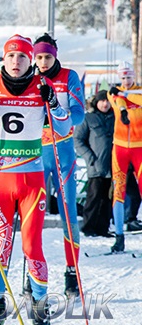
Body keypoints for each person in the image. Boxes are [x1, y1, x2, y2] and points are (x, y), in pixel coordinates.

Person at [0, 34, 71, 325]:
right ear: (4, 59)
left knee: (32, 246)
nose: (16, 62)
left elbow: (64, 125)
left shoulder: (42, 86)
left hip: (32, 179)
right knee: (0, 247)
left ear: (31, 60)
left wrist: (53, 102)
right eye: (11, 56)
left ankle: (40, 311)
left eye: (22, 57)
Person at [32, 34, 86, 298]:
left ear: (55, 55)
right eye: (39, 57)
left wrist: (56, 112)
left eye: (47, 57)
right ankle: (33, 271)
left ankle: (72, 271)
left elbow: (79, 112)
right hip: (35, 154)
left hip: (62, 151)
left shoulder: (68, 76)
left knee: (68, 211)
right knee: (34, 214)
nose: (43, 62)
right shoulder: (29, 78)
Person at [107, 61, 142, 252]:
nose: (126, 81)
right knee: (118, 191)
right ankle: (119, 236)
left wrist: (127, 95)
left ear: (134, 77)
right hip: (119, 148)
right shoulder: (113, 93)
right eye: (123, 78)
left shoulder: (134, 92)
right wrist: (122, 97)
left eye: (129, 77)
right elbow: (118, 102)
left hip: (140, 148)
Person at [74, 90, 114, 238]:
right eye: (102, 101)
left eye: (108, 101)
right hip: (95, 166)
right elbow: (78, 140)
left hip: (112, 166)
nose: (105, 104)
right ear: (96, 102)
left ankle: (103, 228)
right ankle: (89, 226)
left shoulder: (115, 118)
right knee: (94, 197)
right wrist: (90, 158)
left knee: (107, 199)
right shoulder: (88, 118)